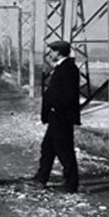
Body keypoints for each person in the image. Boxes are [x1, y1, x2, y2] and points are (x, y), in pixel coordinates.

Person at [32, 40, 81, 193]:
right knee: (48, 148)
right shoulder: (62, 67)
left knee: (64, 150)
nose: (50, 54)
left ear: (59, 52)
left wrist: (55, 108)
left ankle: (71, 184)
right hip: (56, 117)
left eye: (52, 51)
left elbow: (67, 95)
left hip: (61, 117)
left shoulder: (68, 69)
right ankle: (41, 178)